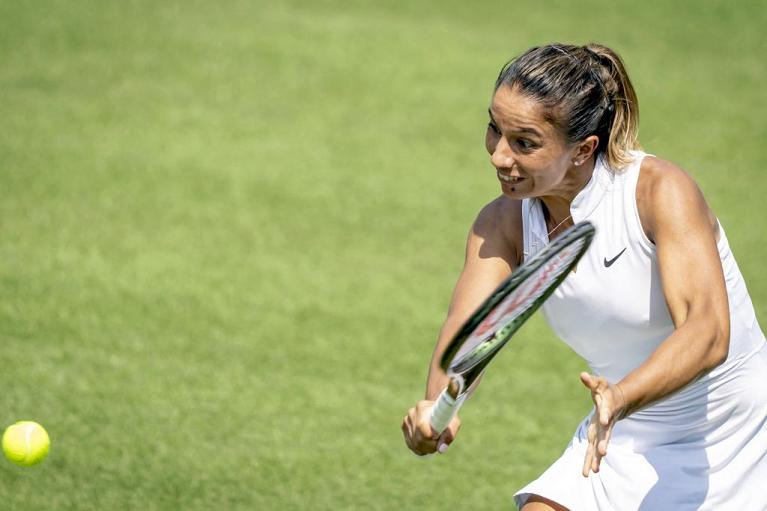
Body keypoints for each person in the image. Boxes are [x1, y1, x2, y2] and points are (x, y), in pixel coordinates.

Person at [401, 43, 767, 510]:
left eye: (525, 143)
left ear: (583, 149)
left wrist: (621, 397)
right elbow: (469, 333)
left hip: (733, 428)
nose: (498, 155)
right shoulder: (502, 223)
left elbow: (708, 331)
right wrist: (439, 409)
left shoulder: (658, 192)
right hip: (621, 426)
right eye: (495, 129)